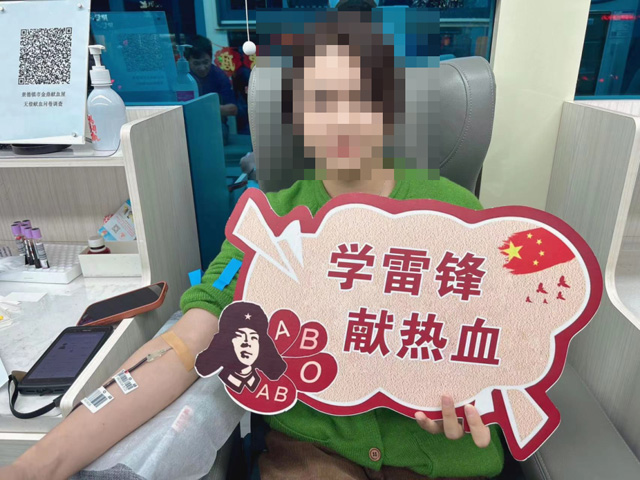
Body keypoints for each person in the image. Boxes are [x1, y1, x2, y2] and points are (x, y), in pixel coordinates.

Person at [1, 11, 504, 480]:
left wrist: (485, 400)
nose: (343, 117)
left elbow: (505, 345)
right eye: (320, 98)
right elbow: (186, 343)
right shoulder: (266, 224)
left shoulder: (460, 215)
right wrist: (36, 466)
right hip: (317, 455)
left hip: (441, 454)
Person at [195, 301, 287, 393]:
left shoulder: (262, 384)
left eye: (253, 337)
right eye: (239, 336)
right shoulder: (217, 385)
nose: (247, 343)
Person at [186, 35, 238, 145]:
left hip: (215, 125)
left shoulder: (219, 76)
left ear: (211, 58)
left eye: (206, 62)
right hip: (189, 124)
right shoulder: (182, 78)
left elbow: (232, 109)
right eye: (196, 63)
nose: (202, 68)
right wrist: (214, 108)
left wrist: (198, 108)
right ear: (187, 61)